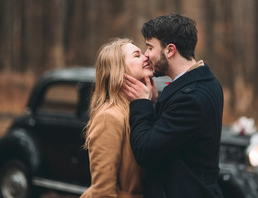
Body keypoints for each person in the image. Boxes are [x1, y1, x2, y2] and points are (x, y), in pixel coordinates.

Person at [123, 14, 224, 198]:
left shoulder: (191, 98)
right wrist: (154, 105)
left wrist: (142, 104)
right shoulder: (206, 82)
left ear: (170, 50)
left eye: (150, 47)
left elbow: (146, 151)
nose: (146, 55)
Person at [82, 38, 154, 198]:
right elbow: (103, 192)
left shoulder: (138, 110)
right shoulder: (109, 117)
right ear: (119, 71)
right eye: (137, 55)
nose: (146, 57)